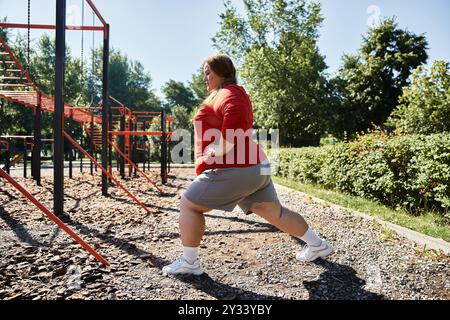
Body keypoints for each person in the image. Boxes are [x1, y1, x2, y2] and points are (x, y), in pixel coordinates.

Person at [162, 54, 333, 276]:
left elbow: (237, 114)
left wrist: (220, 148)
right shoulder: (221, 94)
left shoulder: (229, 93)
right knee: (274, 212)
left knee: (189, 205)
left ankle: (189, 262)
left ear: (223, 73)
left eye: (208, 72)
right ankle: (318, 245)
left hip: (235, 167)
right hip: (251, 167)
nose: (204, 77)